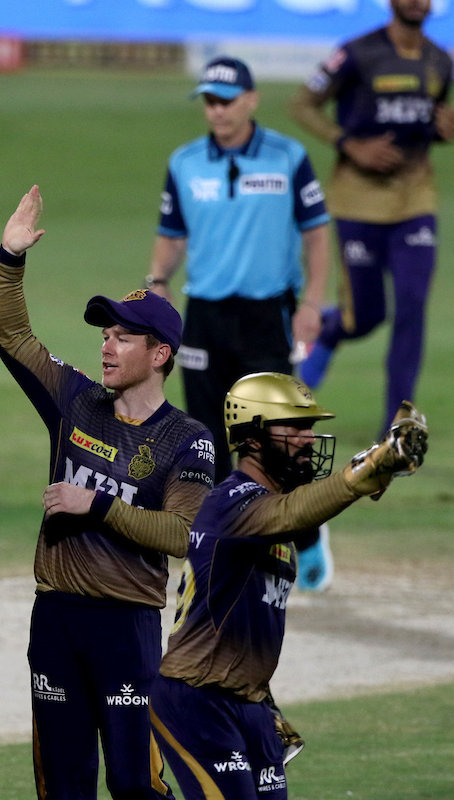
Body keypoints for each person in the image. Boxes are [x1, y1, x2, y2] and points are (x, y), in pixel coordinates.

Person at [0, 186, 216, 800]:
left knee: (133, 785)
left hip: (128, 627)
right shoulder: (76, 400)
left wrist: (96, 504)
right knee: (62, 785)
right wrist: (11, 258)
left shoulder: (187, 439)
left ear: (160, 353)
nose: (106, 345)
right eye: (106, 333)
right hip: (57, 617)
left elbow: (182, 533)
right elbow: (13, 337)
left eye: (123, 337)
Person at [153, 373, 427, 800]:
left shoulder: (271, 515)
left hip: (250, 705)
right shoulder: (231, 503)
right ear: (255, 437)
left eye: (311, 428)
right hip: (197, 703)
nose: (309, 439)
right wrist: (371, 466)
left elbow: (235, 619)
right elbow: (297, 512)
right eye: (296, 427)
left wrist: (264, 700)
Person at [147, 55, 331, 484]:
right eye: (210, 101)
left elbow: (317, 234)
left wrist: (313, 304)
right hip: (205, 316)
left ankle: (286, 545)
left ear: (251, 100)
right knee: (206, 438)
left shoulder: (288, 156)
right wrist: (157, 280)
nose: (217, 110)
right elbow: (172, 234)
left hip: (268, 315)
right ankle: (217, 545)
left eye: (226, 101)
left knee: (275, 439)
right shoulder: (184, 163)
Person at [291, 0, 453, 440]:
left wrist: (445, 130)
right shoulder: (357, 53)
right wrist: (349, 143)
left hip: (414, 204)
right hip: (357, 205)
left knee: (413, 307)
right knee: (363, 317)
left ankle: (396, 427)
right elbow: (303, 104)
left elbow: (431, 125)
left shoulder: (441, 61)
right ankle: (329, 330)